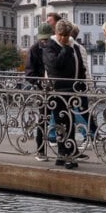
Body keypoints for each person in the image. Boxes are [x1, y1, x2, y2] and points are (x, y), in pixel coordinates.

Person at [42, 20, 79, 169]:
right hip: (57, 91)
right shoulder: (50, 47)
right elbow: (55, 65)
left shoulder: (71, 46)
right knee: (61, 123)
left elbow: (78, 65)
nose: (64, 38)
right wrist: (66, 49)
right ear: (56, 34)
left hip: (70, 89)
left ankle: (65, 154)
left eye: (67, 35)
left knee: (68, 123)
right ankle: (64, 154)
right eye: (62, 35)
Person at [25, 23, 53, 160]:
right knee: (43, 120)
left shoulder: (55, 47)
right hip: (43, 90)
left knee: (62, 119)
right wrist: (39, 82)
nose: (44, 41)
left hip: (57, 88)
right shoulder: (34, 50)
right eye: (43, 39)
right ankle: (40, 150)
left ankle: (64, 151)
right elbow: (29, 73)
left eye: (47, 39)